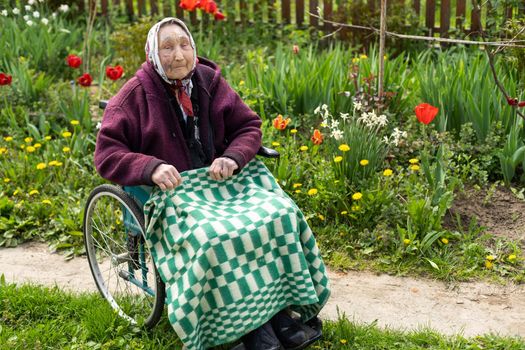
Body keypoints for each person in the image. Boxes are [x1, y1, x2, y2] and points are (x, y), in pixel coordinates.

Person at [94, 17, 328, 350]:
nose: (178, 56)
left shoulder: (208, 81)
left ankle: (279, 313)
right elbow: (107, 154)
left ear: (194, 47)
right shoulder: (132, 97)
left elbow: (248, 127)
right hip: (174, 194)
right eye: (168, 47)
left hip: (222, 183)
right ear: (152, 54)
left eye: (184, 45)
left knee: (280, 214)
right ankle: (248, 328)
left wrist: (233, 157)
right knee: (214, 237)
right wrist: (151, 167)